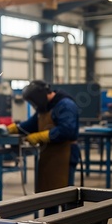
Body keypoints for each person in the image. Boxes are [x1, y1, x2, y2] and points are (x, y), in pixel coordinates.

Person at [7, 80, 80, 215]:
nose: (34, 106)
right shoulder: (45, 107)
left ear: (39, 97)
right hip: (49, 156)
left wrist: (41, 136)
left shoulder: (65, 105)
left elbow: (66, 130)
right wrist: (13, 129)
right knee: (49, 196)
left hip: (65, 155)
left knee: (65, 196)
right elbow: (31, 125)